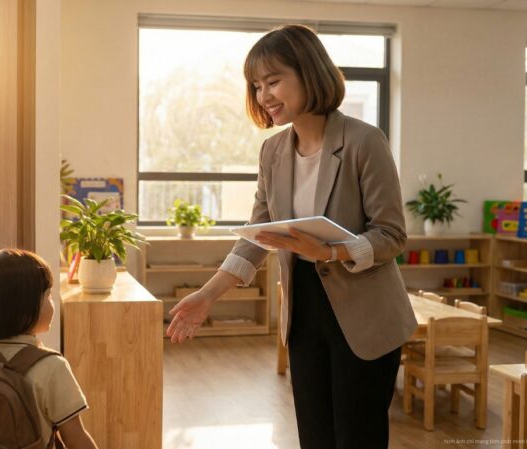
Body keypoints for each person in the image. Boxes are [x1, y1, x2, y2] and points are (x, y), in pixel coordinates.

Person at [166, 24, 417, 449]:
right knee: (315, 436)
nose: (264, 95)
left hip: (365, 314)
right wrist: (208, 296)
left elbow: (391, 235)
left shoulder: (363, 141)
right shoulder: (273, 151)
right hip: (304, 308)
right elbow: (256, 236)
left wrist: (331, 250)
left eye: (274, 80)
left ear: (309, 72)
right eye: (256, 85)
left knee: (357, 437)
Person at [0, 249, 98, 449]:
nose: (52, 303)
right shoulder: (51, 366)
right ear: (25, 308)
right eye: (47, 296)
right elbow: (75, 438)